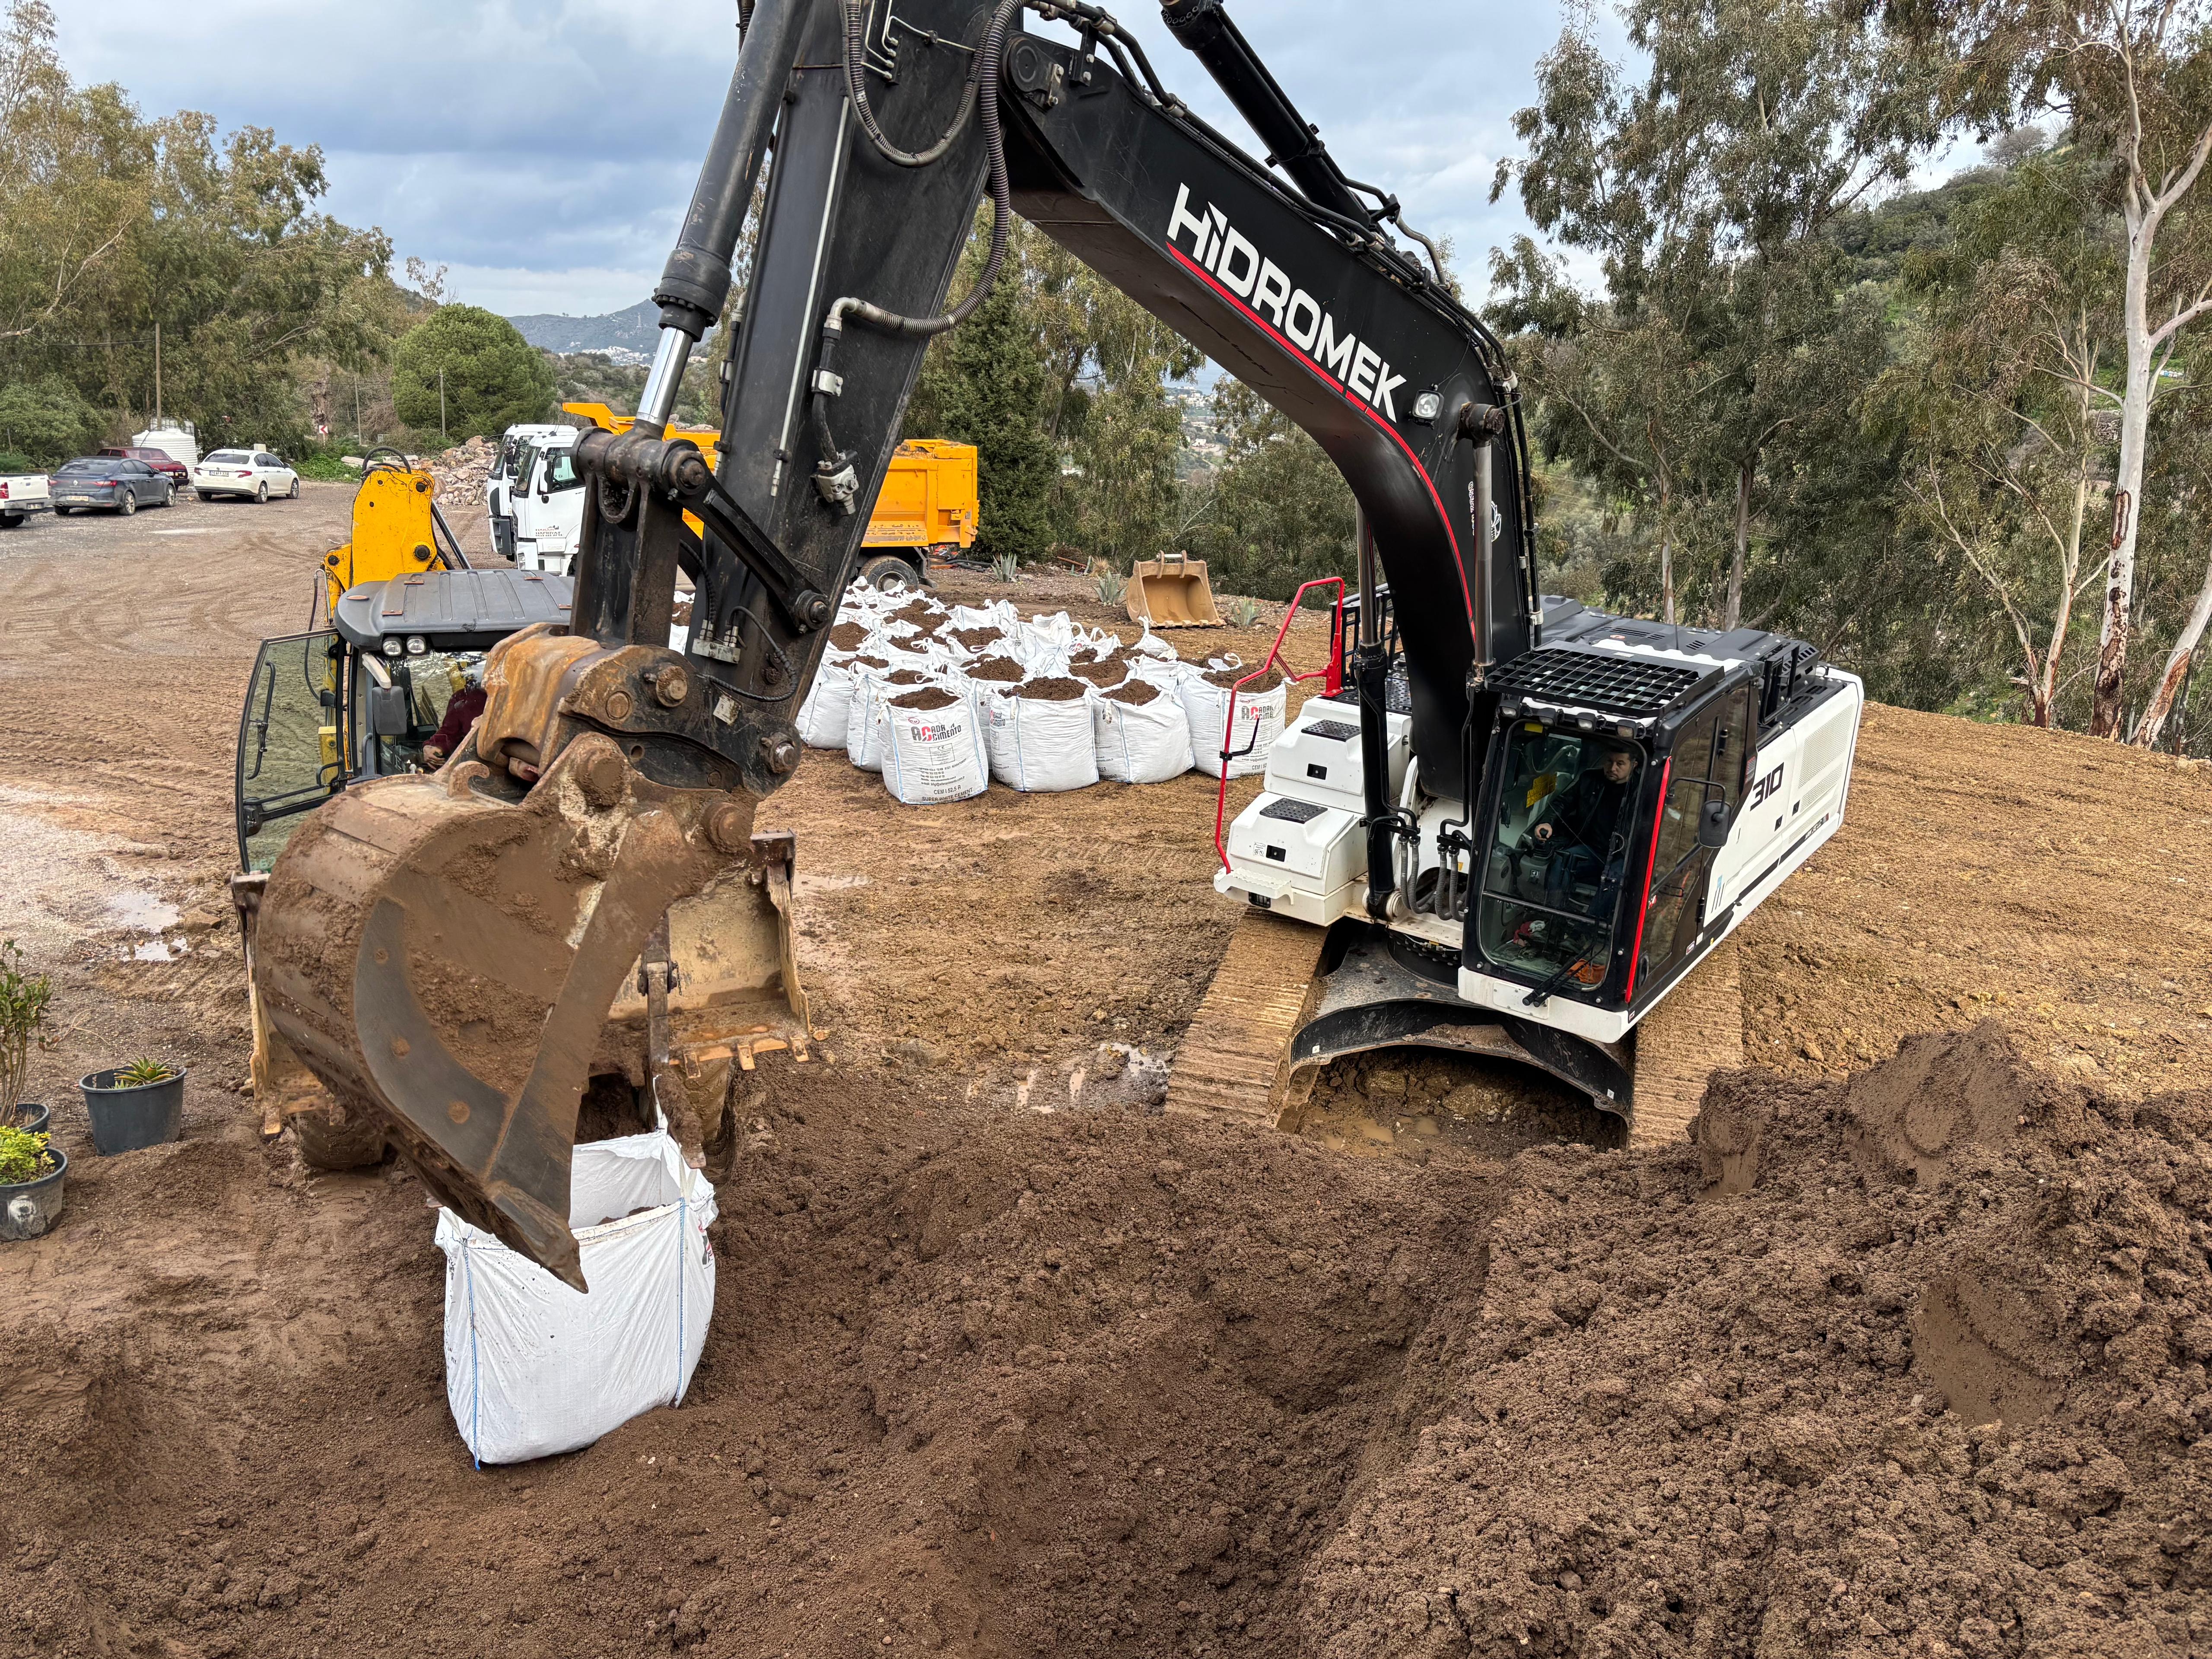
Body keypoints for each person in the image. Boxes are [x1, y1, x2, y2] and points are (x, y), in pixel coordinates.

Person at [1531, 742, 1640, 915]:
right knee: (1562, 861)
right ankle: (1553, 917)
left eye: (1620, 764)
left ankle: (1585, 931)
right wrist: (1547, 822)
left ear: (1633, 766)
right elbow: (1563, 803)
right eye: (1609, 761)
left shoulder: (1641, 791)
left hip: (1622, 856)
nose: (1612, 768)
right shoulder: (1590, 780)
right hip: (1591, 850)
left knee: (1614, 879)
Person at [421, 669, 488, 768]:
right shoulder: (464, 698)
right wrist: (433, 747)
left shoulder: (515, 696)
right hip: (475, 764)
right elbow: (450, 732)